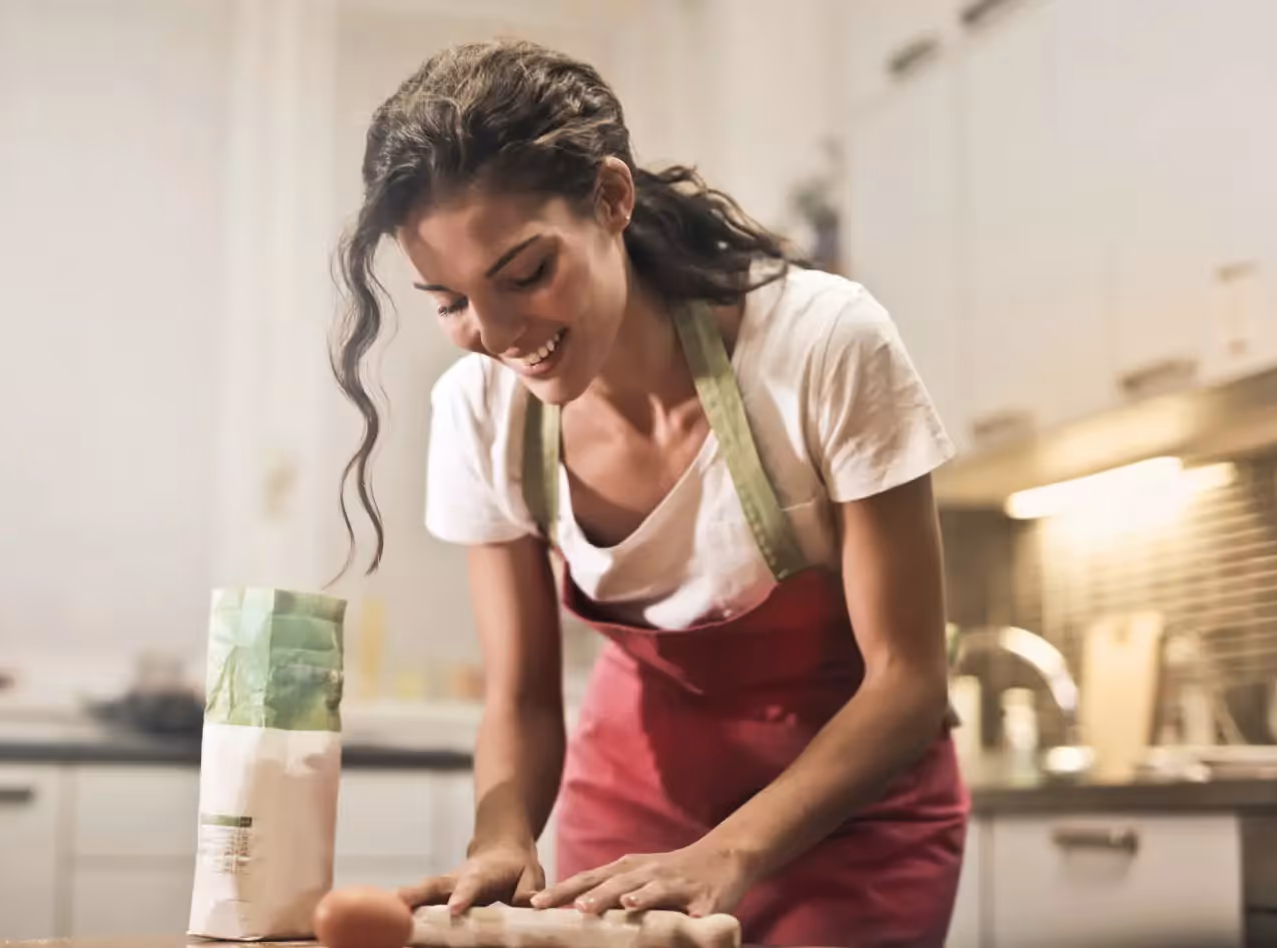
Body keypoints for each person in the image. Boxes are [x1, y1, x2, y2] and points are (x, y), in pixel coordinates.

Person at [330, 39, 968, 948]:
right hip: (628, 828)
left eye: (524, 275)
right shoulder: (480, 413)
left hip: (852, 830)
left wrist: (729, 853)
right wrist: (502, 836)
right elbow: (521, 698)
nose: (498, 332)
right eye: (451, 301)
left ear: (613, 199)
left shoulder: (823, 347)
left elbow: (908, 681)